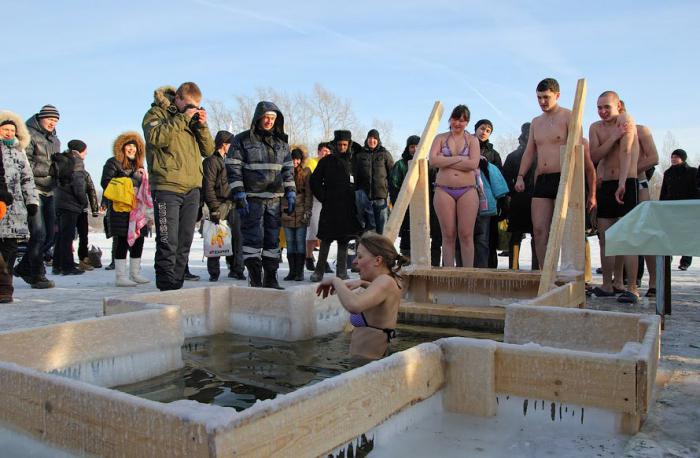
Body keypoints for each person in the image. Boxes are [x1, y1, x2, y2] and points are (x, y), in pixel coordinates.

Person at [515, 78, 596, 268]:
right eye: (539, 98)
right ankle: (546, 274)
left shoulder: (569, 117)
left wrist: (591, 192)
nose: (542, 101)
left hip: (564, 178)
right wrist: (520, 176)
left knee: (567, 231)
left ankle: (570, 274)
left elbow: (581, 154)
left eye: (546, 97)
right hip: (542, 179)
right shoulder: (536, 122)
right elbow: (529, 151)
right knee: (539, 229)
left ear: (557, 95)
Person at [142, 82, 215, 291]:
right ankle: (166, 287)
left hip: (192, 187)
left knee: (185, 242)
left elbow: (209, 150)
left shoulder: (191, 121)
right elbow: (156, 138)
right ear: (179, 99)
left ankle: (177, 285)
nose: (193, 108)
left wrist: (201, 125)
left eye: (197, 106)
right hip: (167, 186)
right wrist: (182, 118)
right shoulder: (155, 113)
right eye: (190, 104)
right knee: (168, 240)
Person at [226, 101, 295, 289]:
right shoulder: (242, 140)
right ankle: (255, 277)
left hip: (274, 198)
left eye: (273, 118)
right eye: (266, 117)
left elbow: (288, 170)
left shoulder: (282, 143)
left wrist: (291, 192)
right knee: (252, 240)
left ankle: (271, 278)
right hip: (252, 198)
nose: (269, 121)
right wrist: (239, 193)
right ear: (258, 117)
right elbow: (233, 167)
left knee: (272, 240)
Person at [316, 232, 407, 360]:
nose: (354, 262)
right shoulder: (389, 281)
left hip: (366, 366)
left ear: (378, 260)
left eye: (359, 257)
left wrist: (336, 281)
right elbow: (381, 298)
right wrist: (363, 283)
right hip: (366, 364)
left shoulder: (385, 281)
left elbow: (354, 305)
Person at [589, 90, 640, 303]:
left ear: (618, 105)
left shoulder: (626, 120)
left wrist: (621, 182)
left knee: (628, 237)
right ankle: (607, 284)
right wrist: (613, 137)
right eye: (599, 107)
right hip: (606, 186)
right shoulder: (596, 128)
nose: (602, 112)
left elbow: (626, 152)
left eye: (606, 107)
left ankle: (632, 287)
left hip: (625, 183)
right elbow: (594, 156)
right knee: (605, 238)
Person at [13, 105, 60, 289]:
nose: (52, 123)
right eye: (50, 119)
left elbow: (55, 163)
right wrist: (51, 169)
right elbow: (26, 164)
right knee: (38, 234)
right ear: (41, 118)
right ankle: (36, 273)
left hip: (50, 190)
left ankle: (25, 267)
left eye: (55, 121)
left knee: (50, 236)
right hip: (34, 191)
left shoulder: (55, 139)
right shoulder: (28, 135)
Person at [429, 105, 481, 267]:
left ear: (467, 122)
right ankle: (448, 272)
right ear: (450, 119)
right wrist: (459, 159)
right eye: (455, 119)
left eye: (462, 120)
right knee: (448, 234)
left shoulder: (472, 140)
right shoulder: (440, 138)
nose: (458, 123)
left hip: (468, 190)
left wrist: (446, 162)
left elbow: (473, 163)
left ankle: (468, 274)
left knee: (466, 234)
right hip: (444, 189)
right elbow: (433, 161)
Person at [310, 130, 362, 281]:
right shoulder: (326, 161)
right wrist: (323, 197)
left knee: (344, 240)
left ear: (349, 144)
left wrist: (357, 198)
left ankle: (341, 272)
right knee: (326, 239)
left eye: (345, 144)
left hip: (347, 207)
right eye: (339, 144)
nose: (342, 147)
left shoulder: (354, 162)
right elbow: (314, 181)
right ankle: (319, 271)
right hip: (330, 206)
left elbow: (361, 181)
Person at [101, 131, 152, 286]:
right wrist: (130, 181)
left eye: (135, 147)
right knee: (122, 240)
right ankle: (120, 276)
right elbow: (106, 183)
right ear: (122, 147)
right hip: (120, 208)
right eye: (129, 146)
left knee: (139, 239)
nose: (132, 149)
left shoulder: (138, 165)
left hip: (138, 209)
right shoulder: (113, 162)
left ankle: (135, 273)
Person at [0, 112, 40, 303]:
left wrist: (32, 201)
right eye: (5, 129)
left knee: (10, 250)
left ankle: (6, 290)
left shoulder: (19, 151)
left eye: (12, 130)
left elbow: (27, 179)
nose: (9, 133)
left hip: (15, 208)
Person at [202, 130, 245, 282]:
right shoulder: (211, 161)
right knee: (216, 237)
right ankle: (214, 272)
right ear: (224, 144)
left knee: (237, 238)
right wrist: (213, 208)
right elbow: (208, 187)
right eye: (231, 144)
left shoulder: (232, 161)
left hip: (234, 203)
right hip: (219, 204)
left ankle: (237, 269)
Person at [502, 122, 538, 270]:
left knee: (538, 234)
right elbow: (505, 178)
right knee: (516, 236)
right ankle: (513, 269)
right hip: (519, 201)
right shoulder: (513, 156)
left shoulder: (541, 152)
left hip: (538, 200)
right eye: (527, 132)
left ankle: (538, 269)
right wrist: (512, 193)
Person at [53, 140, 90, 276]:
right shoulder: (77, 162)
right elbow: (79, 185)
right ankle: (67, 266)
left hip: (59, 202)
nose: (86, 153)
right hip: (71, 203)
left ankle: (57, 265)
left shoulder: (63, 160)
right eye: (85, 150)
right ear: (79, 151)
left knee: (61, 236)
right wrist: (83, 201)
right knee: (67, 237)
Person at [474, 119, 506, 268]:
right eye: (482, 128)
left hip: (488, 202)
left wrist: (502, 202)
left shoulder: (493, 154)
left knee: (487, 238)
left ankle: (488, 269)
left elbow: (499, 177)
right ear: (475, 129)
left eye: (488, 130)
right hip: (466, 195)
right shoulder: (465, 146)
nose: (484, 132)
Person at [660, 149, 698, 270]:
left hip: (687, 208)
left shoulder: (692, 172)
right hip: (671, 208)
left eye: (676, 157)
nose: (673, 159)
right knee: (669, 234)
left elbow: (696, 189)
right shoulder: (668, 173)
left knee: (687, 235)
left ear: (683, 158)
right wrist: (662, 205)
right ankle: (668, 257)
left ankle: (685, 262)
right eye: (672, 157)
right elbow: (664, 191)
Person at [352, 129, 394, 234]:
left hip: (380, 196)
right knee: (364, 226)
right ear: (366, 139)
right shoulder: (360, 155)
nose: (372, 140)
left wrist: (391, 195)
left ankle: (381, 249)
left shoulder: (385, 154)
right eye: (370, 138)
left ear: (378, 140)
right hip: (363, 197)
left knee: (381, 226)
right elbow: (355, 175)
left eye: (374, 138)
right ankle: (362, 248)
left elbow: (392, 175)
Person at [281, 148, 313, 281]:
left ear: (301, 160)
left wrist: (307, 211)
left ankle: (299, 272)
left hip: (301, 212)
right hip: (287, 211)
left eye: (297, 159)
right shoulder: (283, 172)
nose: (295, 161)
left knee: (300, 242)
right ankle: (292, 271)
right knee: (290, 243)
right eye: (293, 158)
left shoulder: (306, 172)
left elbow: (308, 194)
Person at [305, 142, 333, 272]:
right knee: (313, 231)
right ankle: (309, 258)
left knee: (325, 232)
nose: (325, 153)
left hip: (327, 202)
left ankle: (323, 260)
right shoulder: (312, 162)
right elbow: (309, 182)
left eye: (328, 151)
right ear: (318, 152)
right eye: (323, 151)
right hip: (314, 201)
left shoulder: (332, 164)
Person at [76, 171, 99, 271]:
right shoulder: (84, 173)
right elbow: (91, 190)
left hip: (69, 207)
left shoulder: (63, 170)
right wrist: (94, 209)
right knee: (82, 235)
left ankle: (62, 261)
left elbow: (91, 190)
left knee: (65, 236)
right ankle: (83, 259)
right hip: (78, 208)